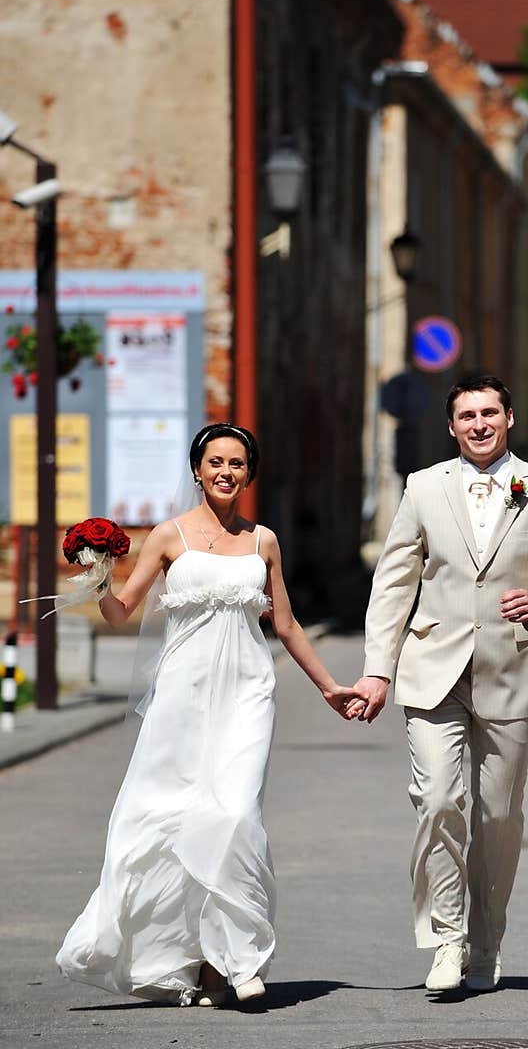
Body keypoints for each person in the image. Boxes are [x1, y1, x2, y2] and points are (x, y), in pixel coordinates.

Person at [56, 423, 363, 1007]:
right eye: (216, 462)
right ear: (197, 470)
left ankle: (235, 959)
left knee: (234, 814)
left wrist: (328, 687)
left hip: (248, 689)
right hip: (182, 693)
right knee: (165, 818)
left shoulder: (263, 541)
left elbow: (287, 623)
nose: (226, 471)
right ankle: (187, 961)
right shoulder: (168, 537)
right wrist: (97, 570)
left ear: (249, 473)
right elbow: (120, 612)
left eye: (238, 463)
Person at [353, 374, 528, 995]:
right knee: (437, 801)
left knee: (500, 814)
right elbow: (394, 583)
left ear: (509, 418)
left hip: (512, 670)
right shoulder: (423, 487)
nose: (479, 424)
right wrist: (379, 667)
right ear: (452, 426)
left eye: (489, 413)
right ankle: (447, 939)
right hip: (433, 668)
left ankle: (488, 944)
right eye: (467, 416)